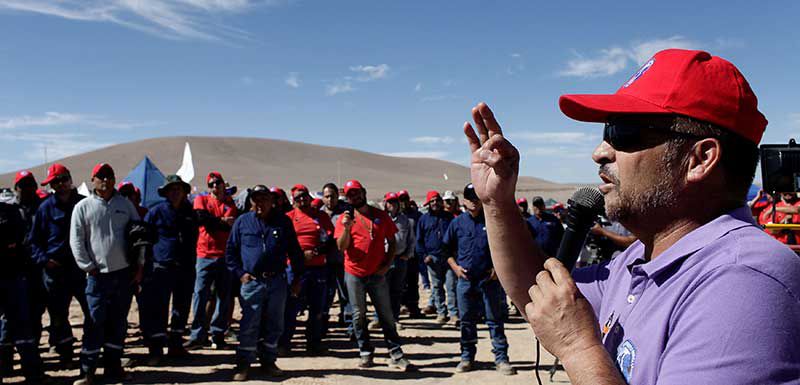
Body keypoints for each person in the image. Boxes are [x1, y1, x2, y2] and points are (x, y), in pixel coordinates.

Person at [463, 48, 800, 384]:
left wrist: (579, 349)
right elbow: (542, 297)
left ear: (699, 159)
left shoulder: (742, 282)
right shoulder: (642, 256)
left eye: (623, 133)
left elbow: (568, 330)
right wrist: (497, 204)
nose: (600, 152)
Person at [70, 163, 141, 384]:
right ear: (93, 180)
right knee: (94, 322)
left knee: (118, 322)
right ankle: (88, 371)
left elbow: (139, 237)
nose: (105, 180)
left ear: (114, 178)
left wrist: (139, 266)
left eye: (109, 176)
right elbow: (76, 240)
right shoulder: (83, 207)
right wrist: (87, 266)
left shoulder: (125, 205)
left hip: (123, 274)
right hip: (97, 276)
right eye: (100, 176)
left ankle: (114, 367)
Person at [226, 185, 303, 381]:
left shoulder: (283, 222)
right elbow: (230, 253)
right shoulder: (242, 222)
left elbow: (295, 251)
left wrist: (296, 279)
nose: (259, 203)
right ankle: (243, 364)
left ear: (272, 201)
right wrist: (241, 274)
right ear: (251, 201)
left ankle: (268, 361)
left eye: (264, 199)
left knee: (275, 323)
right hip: (252, 282)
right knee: (249, 323)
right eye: (256, 199)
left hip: (277, 280)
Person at [335, 180, 411, 370]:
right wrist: (346, 227)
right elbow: (341, 246)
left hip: (377, 274)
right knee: (359, 314)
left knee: (385, 313)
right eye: (350, 194)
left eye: (357, 192)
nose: (354, 196)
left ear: (363, 192)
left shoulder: (380, 216)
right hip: (354, 274)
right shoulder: (344, 219)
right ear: (347, 197)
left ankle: (395, 352)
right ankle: (365, 352)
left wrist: (387, 264)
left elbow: (392, 240)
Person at [444, 183, 515, 375]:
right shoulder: (457, 223)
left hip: (488, 280)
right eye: (470, 199)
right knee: (467, 320)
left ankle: (501, 359)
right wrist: (455, 267)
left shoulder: (493, 221)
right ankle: (467, 357)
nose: (474, 203)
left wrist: (497, 270)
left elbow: (506, 248)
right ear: (464, 201)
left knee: (494, 319)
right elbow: (446, 250)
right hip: (465, 280)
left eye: (476, 199)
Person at [29, 164, 88, 366]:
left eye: (63, 180)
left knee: (92, 311)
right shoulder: (45, 208)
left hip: (82, 269)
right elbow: (34, 241)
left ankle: (91, 351)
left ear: (70, 180)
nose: (60, 185)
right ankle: (66, 354)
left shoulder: (83, 203)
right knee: (58, 315)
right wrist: (45, 260)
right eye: (55, 182)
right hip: (56, 270)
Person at [140, 175, 199, 364]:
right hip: (161, 268)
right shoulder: (155, 212)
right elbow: (144, 238)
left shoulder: (190, 212)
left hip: (185, 268)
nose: (175, 193)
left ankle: (176, 346)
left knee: (181, 308)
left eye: (178, 190)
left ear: (184, 192)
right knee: (158, 309)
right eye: (171, 190)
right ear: (165, 192)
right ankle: (156, 351)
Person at [281, 184, 335, 355]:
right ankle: (284, 342)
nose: (302, 200)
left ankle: (314, 343)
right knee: (290, 307)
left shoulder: (321, 217)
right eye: (298, 198)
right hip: (295, 269)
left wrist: (315, 252)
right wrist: (299, 256)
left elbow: (330, 242)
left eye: (304, 196)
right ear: (293, 201)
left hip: (318, 268)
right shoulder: (288, 218)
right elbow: (283, 243)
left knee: (317, 308)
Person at [186, 171, 237, 350]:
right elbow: (201, 219)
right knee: (200, 294)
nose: (215, 186)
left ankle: (217, 334)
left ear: (224, 184)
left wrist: (215, 222)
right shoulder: (201, 199)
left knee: (223, 296)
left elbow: (229, 222)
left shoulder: (230, 204)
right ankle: (197, 334)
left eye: (218, 183)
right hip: (204, 255)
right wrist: (221, 222)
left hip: (224, 255)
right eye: (211, 184)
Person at [0, 199, 46, 383]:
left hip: (14, 277)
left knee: (22, 327)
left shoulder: (11, 212)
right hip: (12, 275)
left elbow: (23, 239)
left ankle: (32, 373)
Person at [369, 192, 415, 330]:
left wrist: (408, 254)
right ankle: (378, 318)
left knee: (396, 290)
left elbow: (411, 240)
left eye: (394, 202)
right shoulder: (380, 219)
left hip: (400, 259)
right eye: (389, 202)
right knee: (380, 289)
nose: (392, 205)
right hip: (383, 259)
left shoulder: (406, 220)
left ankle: (394, 319)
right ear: (385, 204)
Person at [415, 191, 458, 325]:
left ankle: (454, 314)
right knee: (437, 287)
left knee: (451, 286)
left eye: (437, 200)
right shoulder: (423, 219)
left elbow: (456, 236)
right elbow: (419, 240)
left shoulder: (449, 217)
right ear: (428, 203)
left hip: (449, 258)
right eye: (432, 201)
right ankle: (441, 313)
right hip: (432, 259)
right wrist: (424, 256)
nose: (435, 203)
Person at [320, 183, 352, 335]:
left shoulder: (345, 213)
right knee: (325, 294)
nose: (330, 199)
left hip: (342, 260)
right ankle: (323, 323)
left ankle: (348, 324)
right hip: (324, 262)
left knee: (345, 294)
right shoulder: (319, 214)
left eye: (332, 196)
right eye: (327, 196)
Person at [397, 190, 426, 317]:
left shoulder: (417, 216)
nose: (403, 202)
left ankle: (414, 307)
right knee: (400, 282)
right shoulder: (395, 216)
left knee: (413, 281)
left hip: (414, 255)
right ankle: (402, 305)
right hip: (400, 255)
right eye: (401, 200)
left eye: (405, 199)